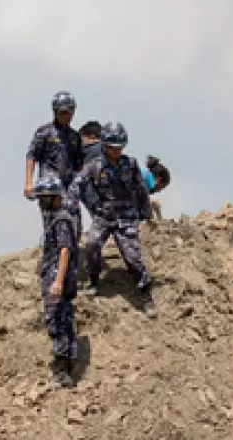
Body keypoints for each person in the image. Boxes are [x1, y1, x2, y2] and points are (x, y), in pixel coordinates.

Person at [68, 122, 157, 318]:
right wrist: (70, 201)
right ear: (104, 145)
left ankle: (145, 293)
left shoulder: (131, 164)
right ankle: (93, 280)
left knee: (132, 257)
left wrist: (147, 214)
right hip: (103, 215)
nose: (115, 151)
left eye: (118, 148)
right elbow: (78, 182)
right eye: (111, 147)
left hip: (126, 216)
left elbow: (141, 190)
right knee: (92, 244)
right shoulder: (95, 166)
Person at [33, 176, 78, 388]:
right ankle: (67, 368)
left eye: (44, 199)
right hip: (53, 275)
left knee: (57, 320)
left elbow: (64, 250)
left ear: (54, 198)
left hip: (56, 278)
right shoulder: (57, 217)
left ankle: (61, 371)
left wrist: (58, 281)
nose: (41, 203)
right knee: (64, 320)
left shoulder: (61, 219)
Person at [24, 90, 84, 238]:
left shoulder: (75, 137)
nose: (66, 116)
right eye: (62, 112)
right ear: (55, 112)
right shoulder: (45, 132)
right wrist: (28, 182)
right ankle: (51, 257)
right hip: (49, 187)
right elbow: (31, 156)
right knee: (54, 225)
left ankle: (70, 258)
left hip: (69, 186)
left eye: (69, 112)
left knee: (75, 227)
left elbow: (79, 164)